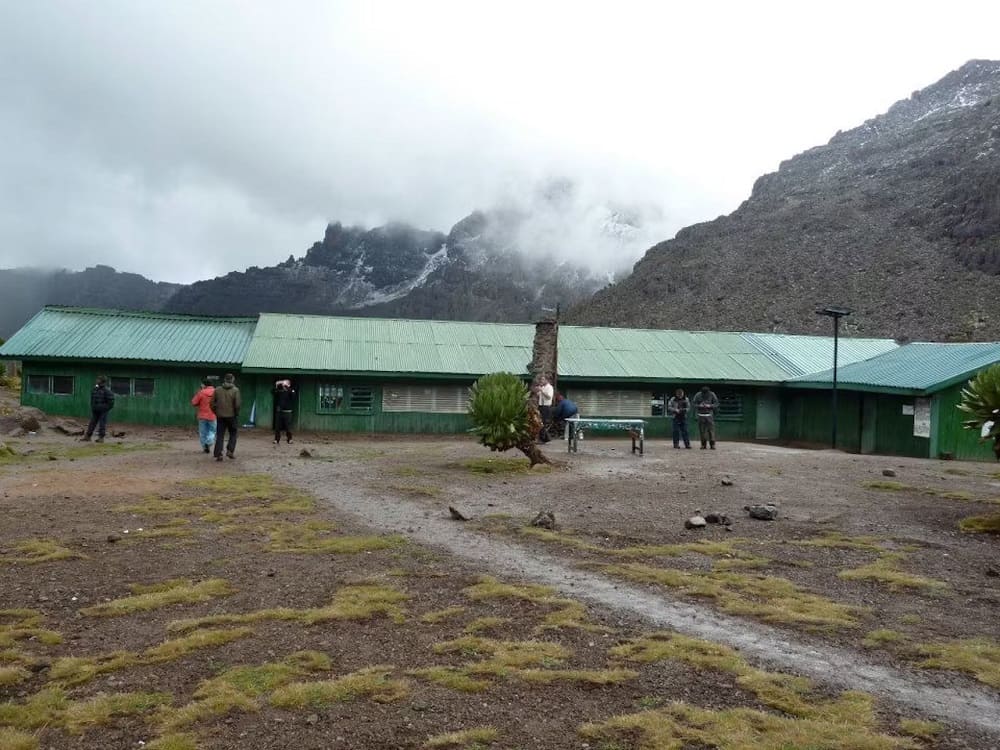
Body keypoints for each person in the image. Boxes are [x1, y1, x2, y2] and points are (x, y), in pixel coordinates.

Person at [211, 373, 242, 461]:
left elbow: (212, 403)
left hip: (220, 416)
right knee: (233, 433)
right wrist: (236, 413)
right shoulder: (235, 390)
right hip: (232, 416)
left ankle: (219, 454)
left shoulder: (217, 390)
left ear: (224, 379)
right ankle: (230, 451)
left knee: (220, 435)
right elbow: (237, 404)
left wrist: (216, 412)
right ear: (232, 380)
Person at [81, 375, 115, 443]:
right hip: (95, 410)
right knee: (92, 423)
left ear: (102, 381)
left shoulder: (107, 390)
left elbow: (111, 402)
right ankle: (87, 436)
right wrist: (93, 407)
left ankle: (101, 438)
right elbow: (92, 399)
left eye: (98, 379)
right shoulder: (95, 389)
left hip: (103, 411)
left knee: (102, 424)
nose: (97, 380)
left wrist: (104, 408)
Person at [191, 378, 217, 454]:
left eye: (202, 384)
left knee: (203, 432)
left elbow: (193, 402)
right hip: (213, 415)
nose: (201, 385)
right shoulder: (216, 392)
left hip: (202, 416)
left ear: (204, 384)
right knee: (213, 431)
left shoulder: (201, 392)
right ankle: (209, 442)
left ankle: (204, 447)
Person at [692, 385, 720, 449]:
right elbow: (693, 404)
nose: (705, 395)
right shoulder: (698, 395)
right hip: (701, 415)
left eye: (706, 393)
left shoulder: (712, 394)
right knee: (702, 431)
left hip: (709, 415)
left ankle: (712, 444)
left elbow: (716, 404)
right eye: (703, 393)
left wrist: (709, 406)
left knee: (711, 431)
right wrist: (699, 405)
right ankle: (703, 444)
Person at [273, 379, 295, 445]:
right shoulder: (280, 390)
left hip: (287, 412)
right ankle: (276, 440)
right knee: (277, 427)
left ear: (289, 385)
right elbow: (273, 392)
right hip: (279, 412)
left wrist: (286, 387)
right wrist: (277, 385)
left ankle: (290, 439)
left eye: (285, 383)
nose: (283, 384)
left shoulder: (291, 390)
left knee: (288, 427)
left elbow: (293, 395)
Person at [534, 374, 555, 443]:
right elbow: (538, 395)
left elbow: (549, 397)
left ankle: (544, 439)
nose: (541, 381)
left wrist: (542, 391)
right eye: (541, 379)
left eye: (543, 379)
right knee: (539, 422)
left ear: (547, 380)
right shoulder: (543, 387)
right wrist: (537, 390)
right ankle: (545, 438)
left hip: (546, 407)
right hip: (541, 406)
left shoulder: (550, 387)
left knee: (543, 423)